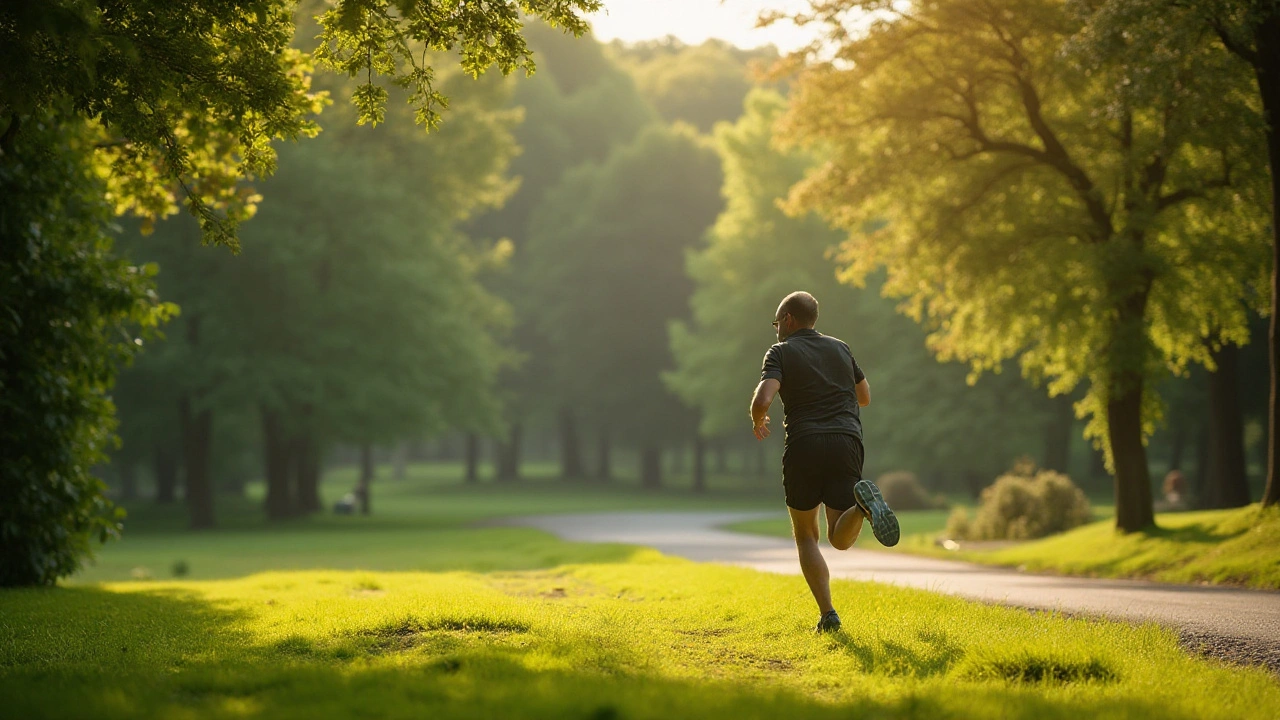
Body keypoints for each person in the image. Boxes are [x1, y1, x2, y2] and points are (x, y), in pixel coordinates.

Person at [749, 291, 899, 633]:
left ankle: (828, 615)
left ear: (788, 319)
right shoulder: (840, 348)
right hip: (847, 440)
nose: (776, 330)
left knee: (806, 536)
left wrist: (758, 420)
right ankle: (862, 506)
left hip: (805, 443)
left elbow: (764, 397)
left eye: (776, 323)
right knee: (841, 538)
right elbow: (865, 397)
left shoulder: (780, 352)